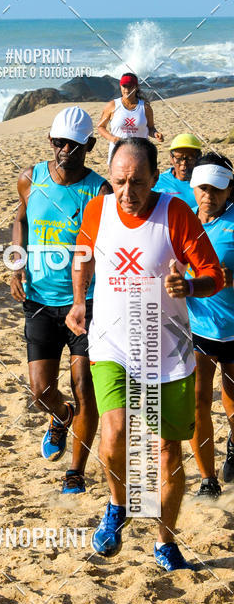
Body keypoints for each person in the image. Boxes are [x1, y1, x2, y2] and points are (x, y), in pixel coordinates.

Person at [66, 137, 223, 571]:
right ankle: (119, 504)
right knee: (114, 433)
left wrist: (189, 285)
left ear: (156, 177)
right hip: (111, 344)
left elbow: (214, 274)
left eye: (137, 182)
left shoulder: (176, 213)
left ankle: (165, 542)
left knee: (167, 451)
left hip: (168, 352)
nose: (126, 192)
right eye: (119, 181)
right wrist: (78, 302)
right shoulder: (97, 210)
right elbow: (83, 257)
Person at [10, 106, 110, 493]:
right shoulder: (30, 178)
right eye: (59, 142)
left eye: (74, 144)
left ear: (90, 144)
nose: (65, 149)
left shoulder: (99, 191)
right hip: (38, 300)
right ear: (50, 140)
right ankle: (61, 415)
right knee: (40, 392)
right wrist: (16, 264)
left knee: (84, 386)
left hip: (85, 304)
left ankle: (75, 472)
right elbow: (20, 220)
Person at [186, 152, 234, 496]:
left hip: (232, 329)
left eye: (217, 188)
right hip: (195, 327)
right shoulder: (183, 221)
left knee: (231, 400)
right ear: (193, 187)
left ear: (230, 189)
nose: (209, 195)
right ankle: (207, 479)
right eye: (203, 188)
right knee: (198, 401)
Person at [98, 73, 163, 164]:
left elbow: (151, 128)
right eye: (124, 86)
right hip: (118, 156)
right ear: (120, 86)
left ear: (136, 87)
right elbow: (100, 127)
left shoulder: (145, 108)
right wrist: (113, 139)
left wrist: (156, 134)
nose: (127, 90)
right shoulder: (112, 105)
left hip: (140, 156)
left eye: (130, 86)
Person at [156, 133, 203, 207]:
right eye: (179, 158)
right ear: (171, 158)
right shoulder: (158, 182)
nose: (184, 163)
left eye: (190, 158)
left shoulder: (206, 181)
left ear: (199, 157)